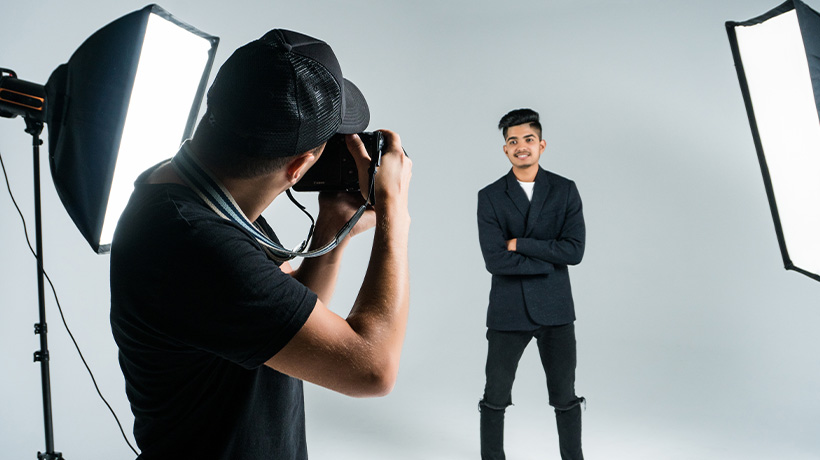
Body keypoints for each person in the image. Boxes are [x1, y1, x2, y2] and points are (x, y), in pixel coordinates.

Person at [109, 29, 412, 460]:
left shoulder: (202, 192)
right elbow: (372, 370)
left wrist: (331, 228)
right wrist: (395, 217)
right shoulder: (197, 243)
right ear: (300, 164)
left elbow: (285, 315)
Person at [476, 108, 585, 460]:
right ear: (505, 150)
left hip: (556, 309)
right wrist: (549, 259)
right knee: (495, 395)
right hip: (508, 311)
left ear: (541, 144)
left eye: (528, 139)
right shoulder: (490, 196)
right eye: (512, 141)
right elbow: (495, 260)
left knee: (565, 395)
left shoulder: (565, 190)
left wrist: (520, 244)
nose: (521, 146)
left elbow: (575, 251)